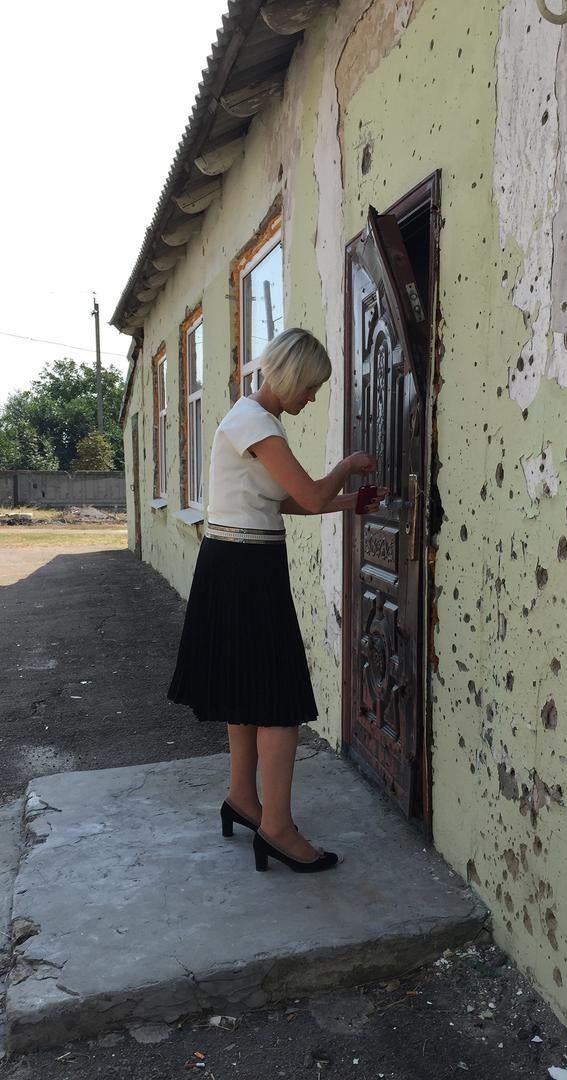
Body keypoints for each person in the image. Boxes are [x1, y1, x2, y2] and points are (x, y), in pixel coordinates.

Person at [168, 328, 380, 874]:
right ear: (291, 376)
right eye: (311, 388)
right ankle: (278, 828)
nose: (312, 398)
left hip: (236, 562)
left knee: (247, 691)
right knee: (279, 701)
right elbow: (309, 492)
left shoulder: (250, 421)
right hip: (246, 570)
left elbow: (285, 504)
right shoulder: (255, 424)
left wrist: (350, 502)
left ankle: (244, 798)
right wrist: (347, 466)